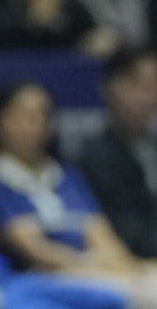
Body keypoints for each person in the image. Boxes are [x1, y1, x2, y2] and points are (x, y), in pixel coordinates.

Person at [0, 81, 157, 308]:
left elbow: (99, 231)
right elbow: (30, 246)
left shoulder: (65, 175)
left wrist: (128, 268)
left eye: (42, 116)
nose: (34, 125)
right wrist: (91, 266)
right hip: (42, 277)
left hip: (96, 270)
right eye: (22, 115)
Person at [78, 48, 157, 258]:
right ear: (108, 88)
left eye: (153, 85)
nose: (148, 96)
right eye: (136, 84)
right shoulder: (93, 157)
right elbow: (125, 229)